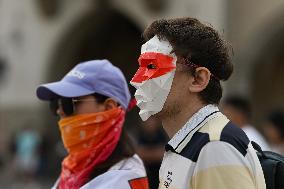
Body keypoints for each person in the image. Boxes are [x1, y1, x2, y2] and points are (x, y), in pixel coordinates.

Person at [130, 18, 266, 189]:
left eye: (151, 66)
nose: (135, 80)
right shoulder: (191, 142)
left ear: (198, 79)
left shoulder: (215, 147)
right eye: (140, 67)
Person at [36, 60, 149, 189]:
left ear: (108, 107)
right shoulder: (74, 169)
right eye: (56, 103)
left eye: (69, 102)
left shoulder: (122, 180)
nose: (59, 111)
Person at [136, 117, 168, 189]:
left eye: (151, 120)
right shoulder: (137, 134)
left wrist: (146, 153)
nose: (150, 123)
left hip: (159, 176)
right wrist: (155, 153)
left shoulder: (163, 135)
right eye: (147, 120)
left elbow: (163, 154)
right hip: (144, 176)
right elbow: (137, 155)